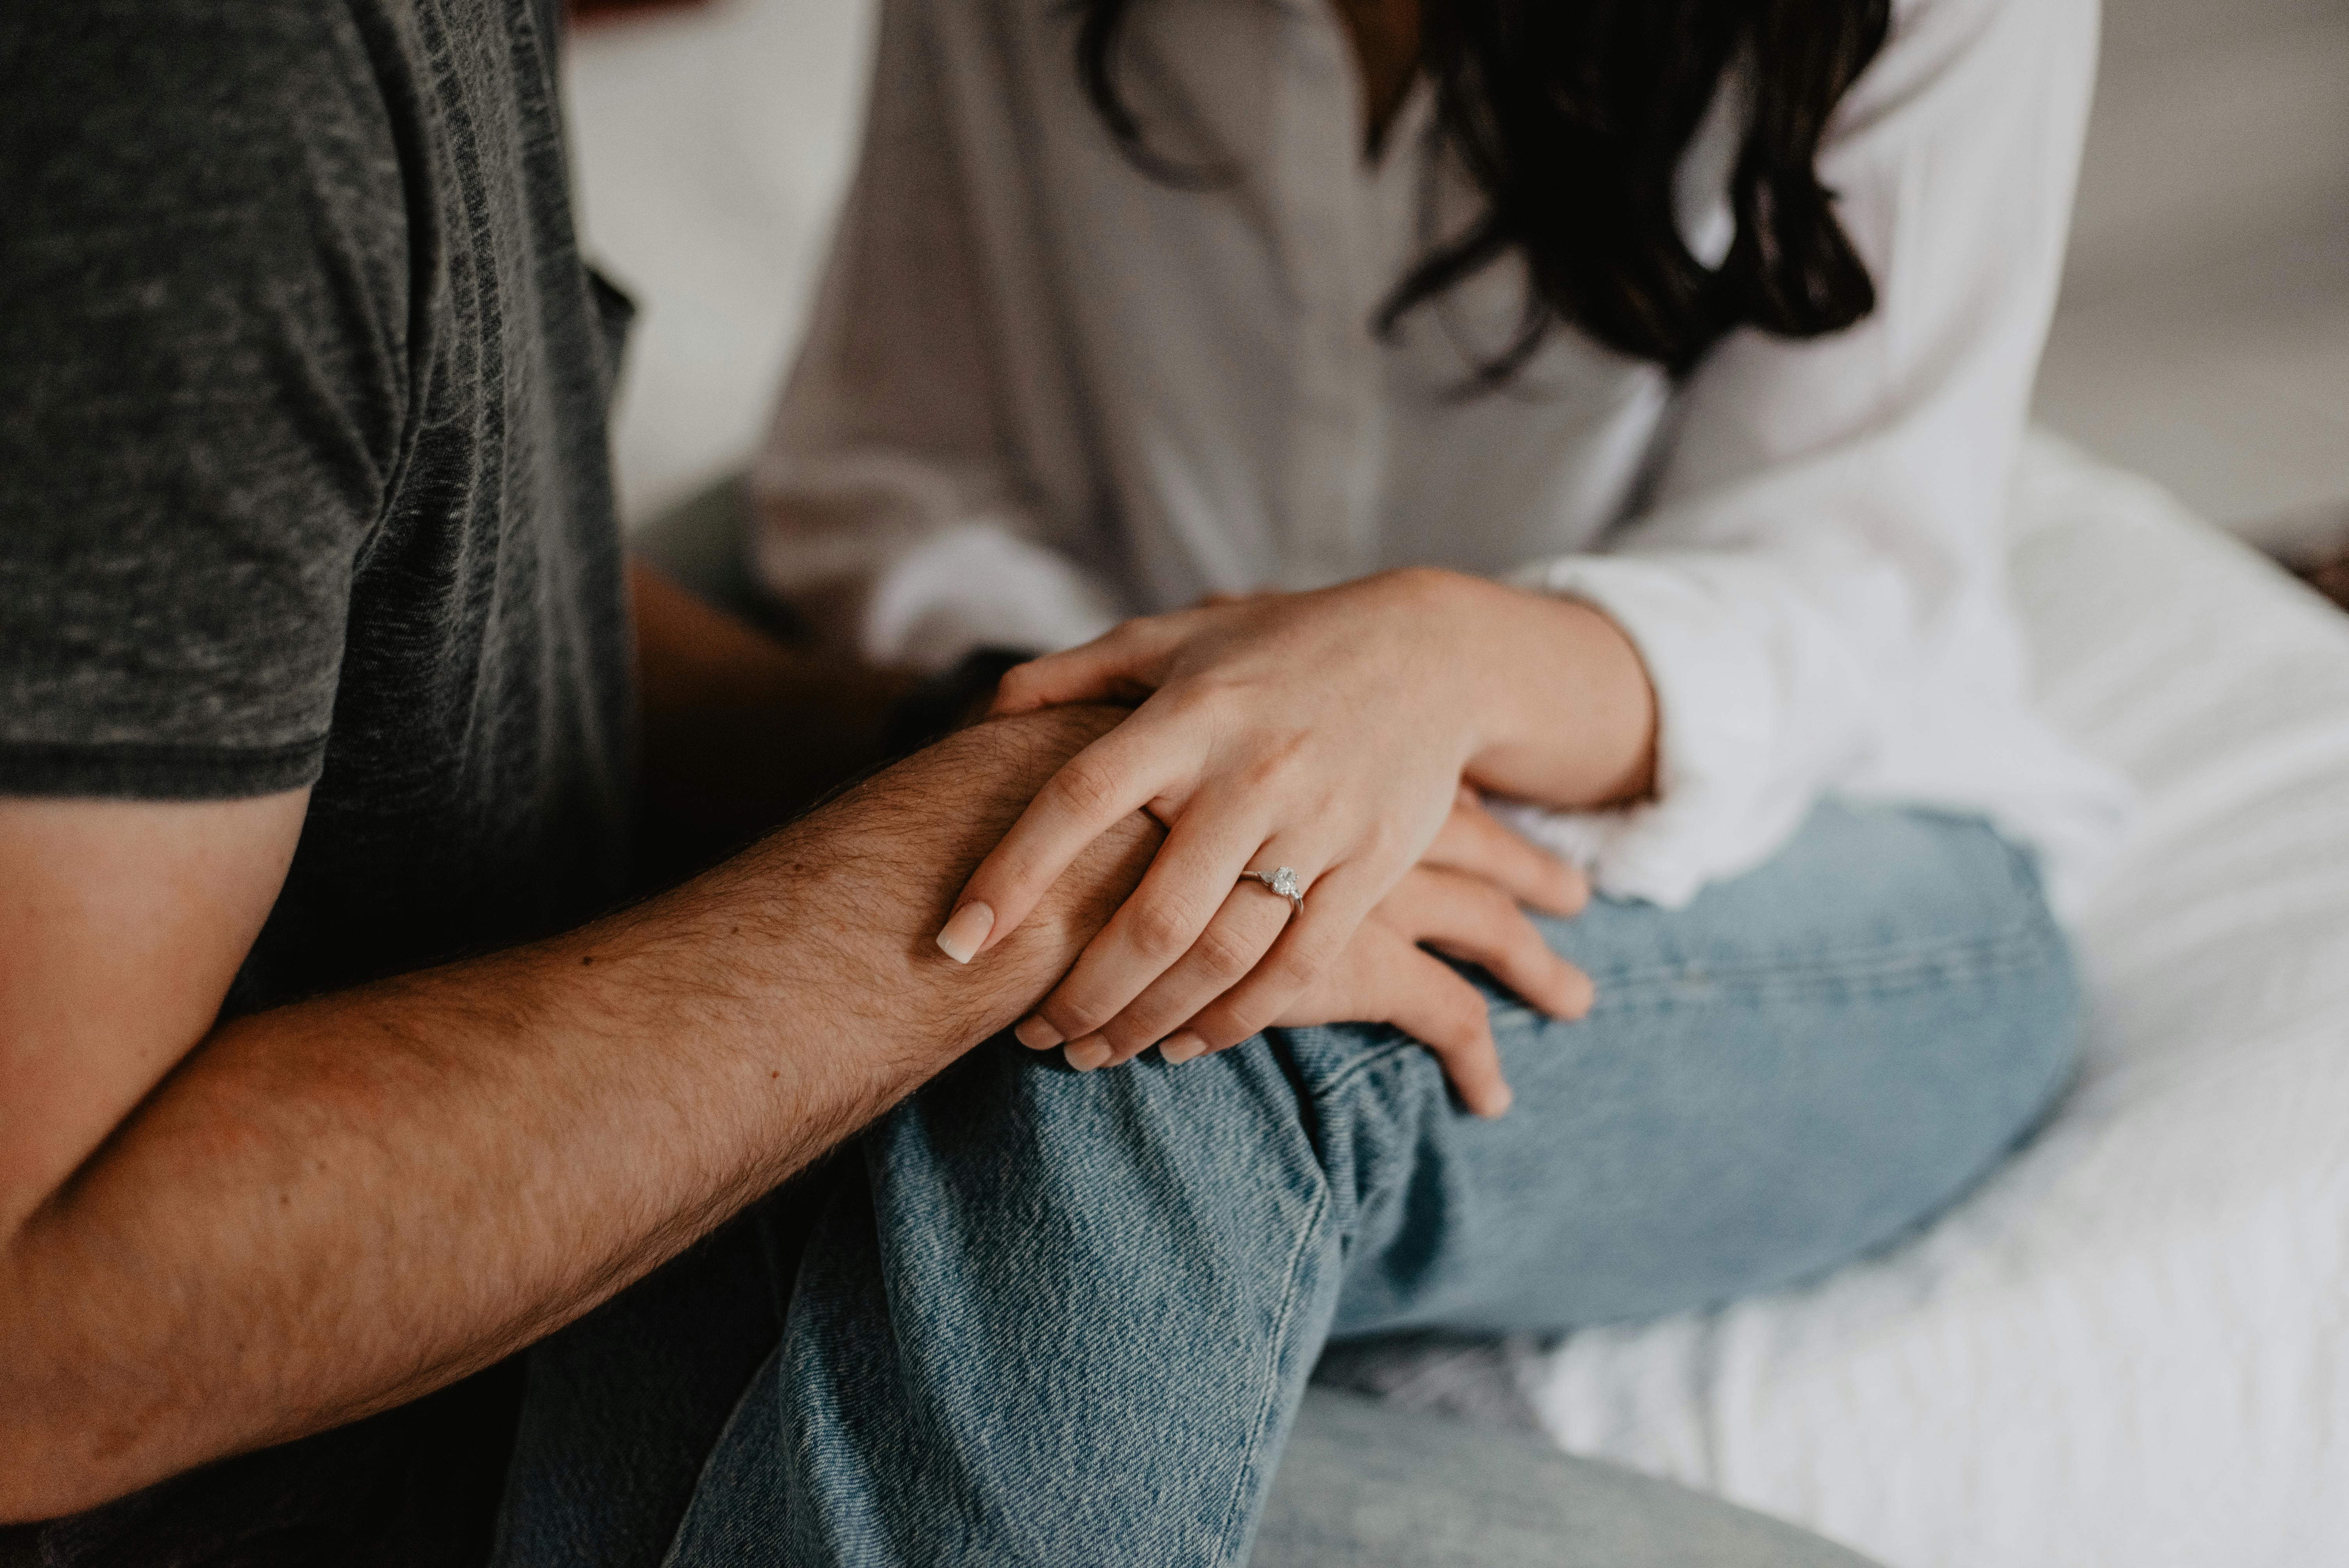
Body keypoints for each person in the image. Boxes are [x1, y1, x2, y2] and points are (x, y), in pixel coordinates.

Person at [0, 2, 1585, 1561]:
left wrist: (978, 734)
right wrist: (1018, 843)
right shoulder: (198, 81)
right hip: (326, 1460)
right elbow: (34, 1348)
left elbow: (389, 589)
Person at [716, 0, 2119, 1556]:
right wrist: (1170, 754)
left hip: (1811, 818)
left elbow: (1847, 579)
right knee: (1026, 932)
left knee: (1172, 1015)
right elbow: (899, 466)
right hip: (1103, 692)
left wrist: (1433, 667)